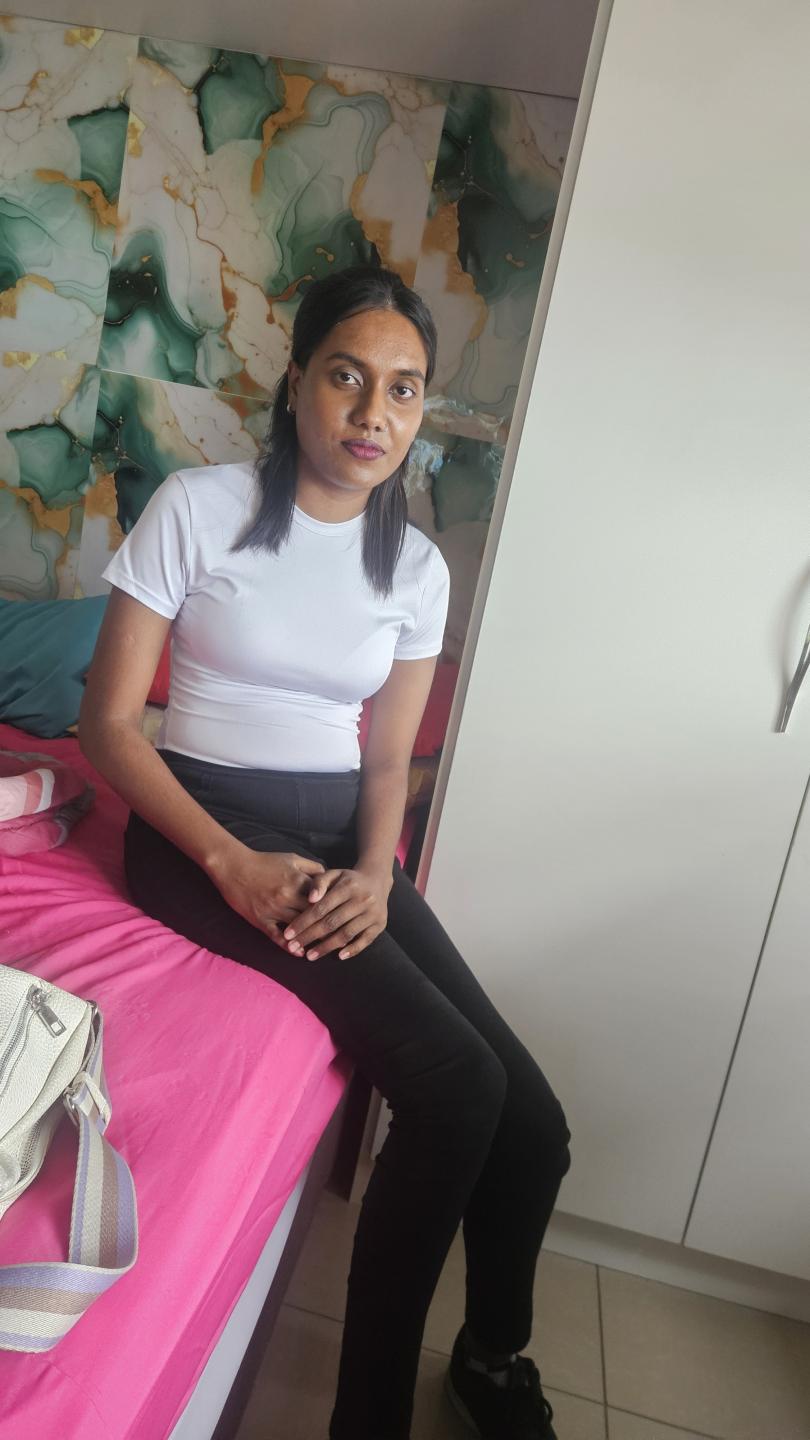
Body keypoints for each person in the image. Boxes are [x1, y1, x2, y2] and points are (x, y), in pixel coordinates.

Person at [79, 264, 571, 1440]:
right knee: (455, 1087)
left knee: (533, 1124)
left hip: (343, 837)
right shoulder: (198, 508)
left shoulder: (416, 568)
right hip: (205, 825)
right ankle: (367, 1420)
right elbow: (108, 727)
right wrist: (228, 863)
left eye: (403, 389)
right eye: (348, 376)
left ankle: (492, 1358)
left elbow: (388, 760)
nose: (372, 412)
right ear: (297, 379)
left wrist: (375, 873)